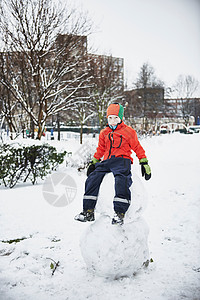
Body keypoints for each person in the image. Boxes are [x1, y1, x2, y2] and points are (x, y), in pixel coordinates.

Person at [75, 103, 151, 225]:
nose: (113, 121)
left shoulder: (128, 132)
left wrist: (144, 162)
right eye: (110, 117)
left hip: (122, 161)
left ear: (121, 118)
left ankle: (120, 213)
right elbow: (100, 149)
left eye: (116, 117)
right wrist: (94, 161)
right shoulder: (104, 133)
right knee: (92, 178)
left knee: (122, 180)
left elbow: (137, 147)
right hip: (107, 161)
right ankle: (88, 211)